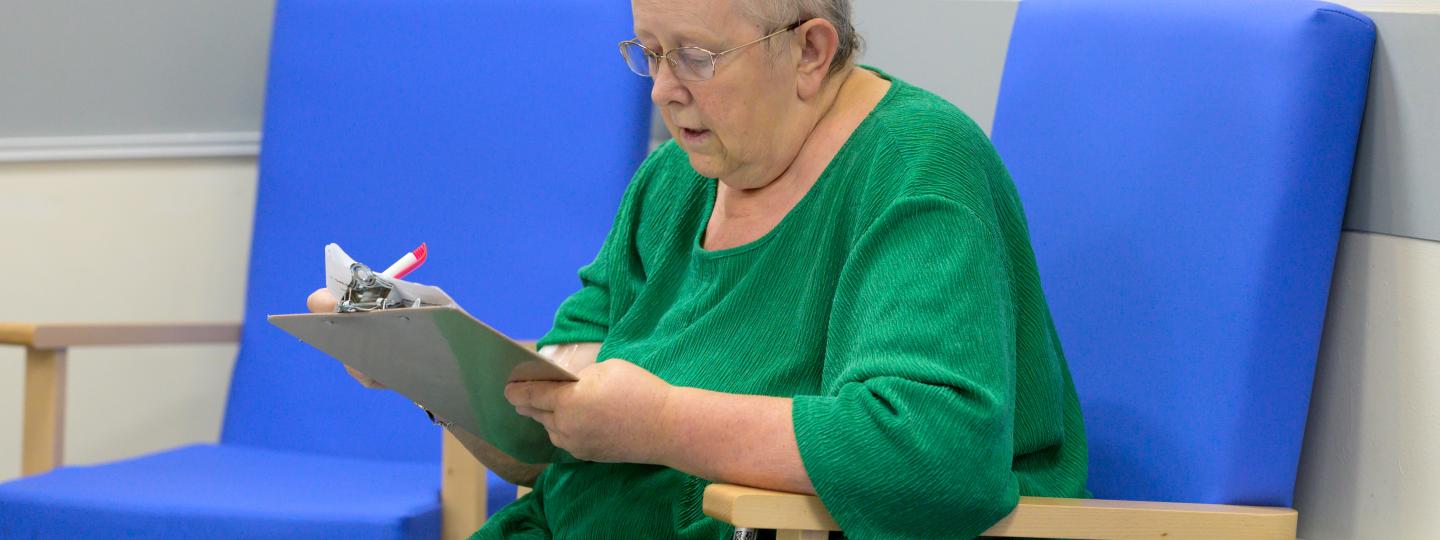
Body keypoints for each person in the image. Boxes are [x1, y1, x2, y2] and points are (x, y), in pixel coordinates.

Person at [309, 0, 1087, 537]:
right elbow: (545, 441)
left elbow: (935, 458)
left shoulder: (918, 166)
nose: (663, 88)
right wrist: (433, 370)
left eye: (694, 55)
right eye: (648, 52)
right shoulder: (675, 179)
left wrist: (661, 422)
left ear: (810, 50)